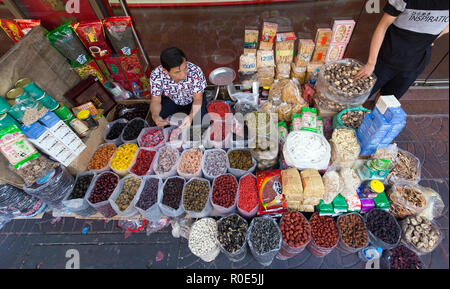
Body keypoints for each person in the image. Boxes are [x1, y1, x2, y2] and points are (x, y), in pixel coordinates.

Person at [355, 0, 449, 100]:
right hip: (386, 58)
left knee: (388, 99)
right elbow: (382, 26)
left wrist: (434, 37)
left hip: (415, 63)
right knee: (360, 95)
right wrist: (371, 63)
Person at [149, 47, 208, 128]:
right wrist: (155, 116)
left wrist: (191, 116)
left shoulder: (195, 71)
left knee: (202, 123)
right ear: (165, 70)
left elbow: (198, 99)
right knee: (161, 119)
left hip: (193, 100)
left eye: (185, 68)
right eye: (177, 72)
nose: (183, 74)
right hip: (173, 100)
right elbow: (155, 100)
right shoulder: (156, 75)